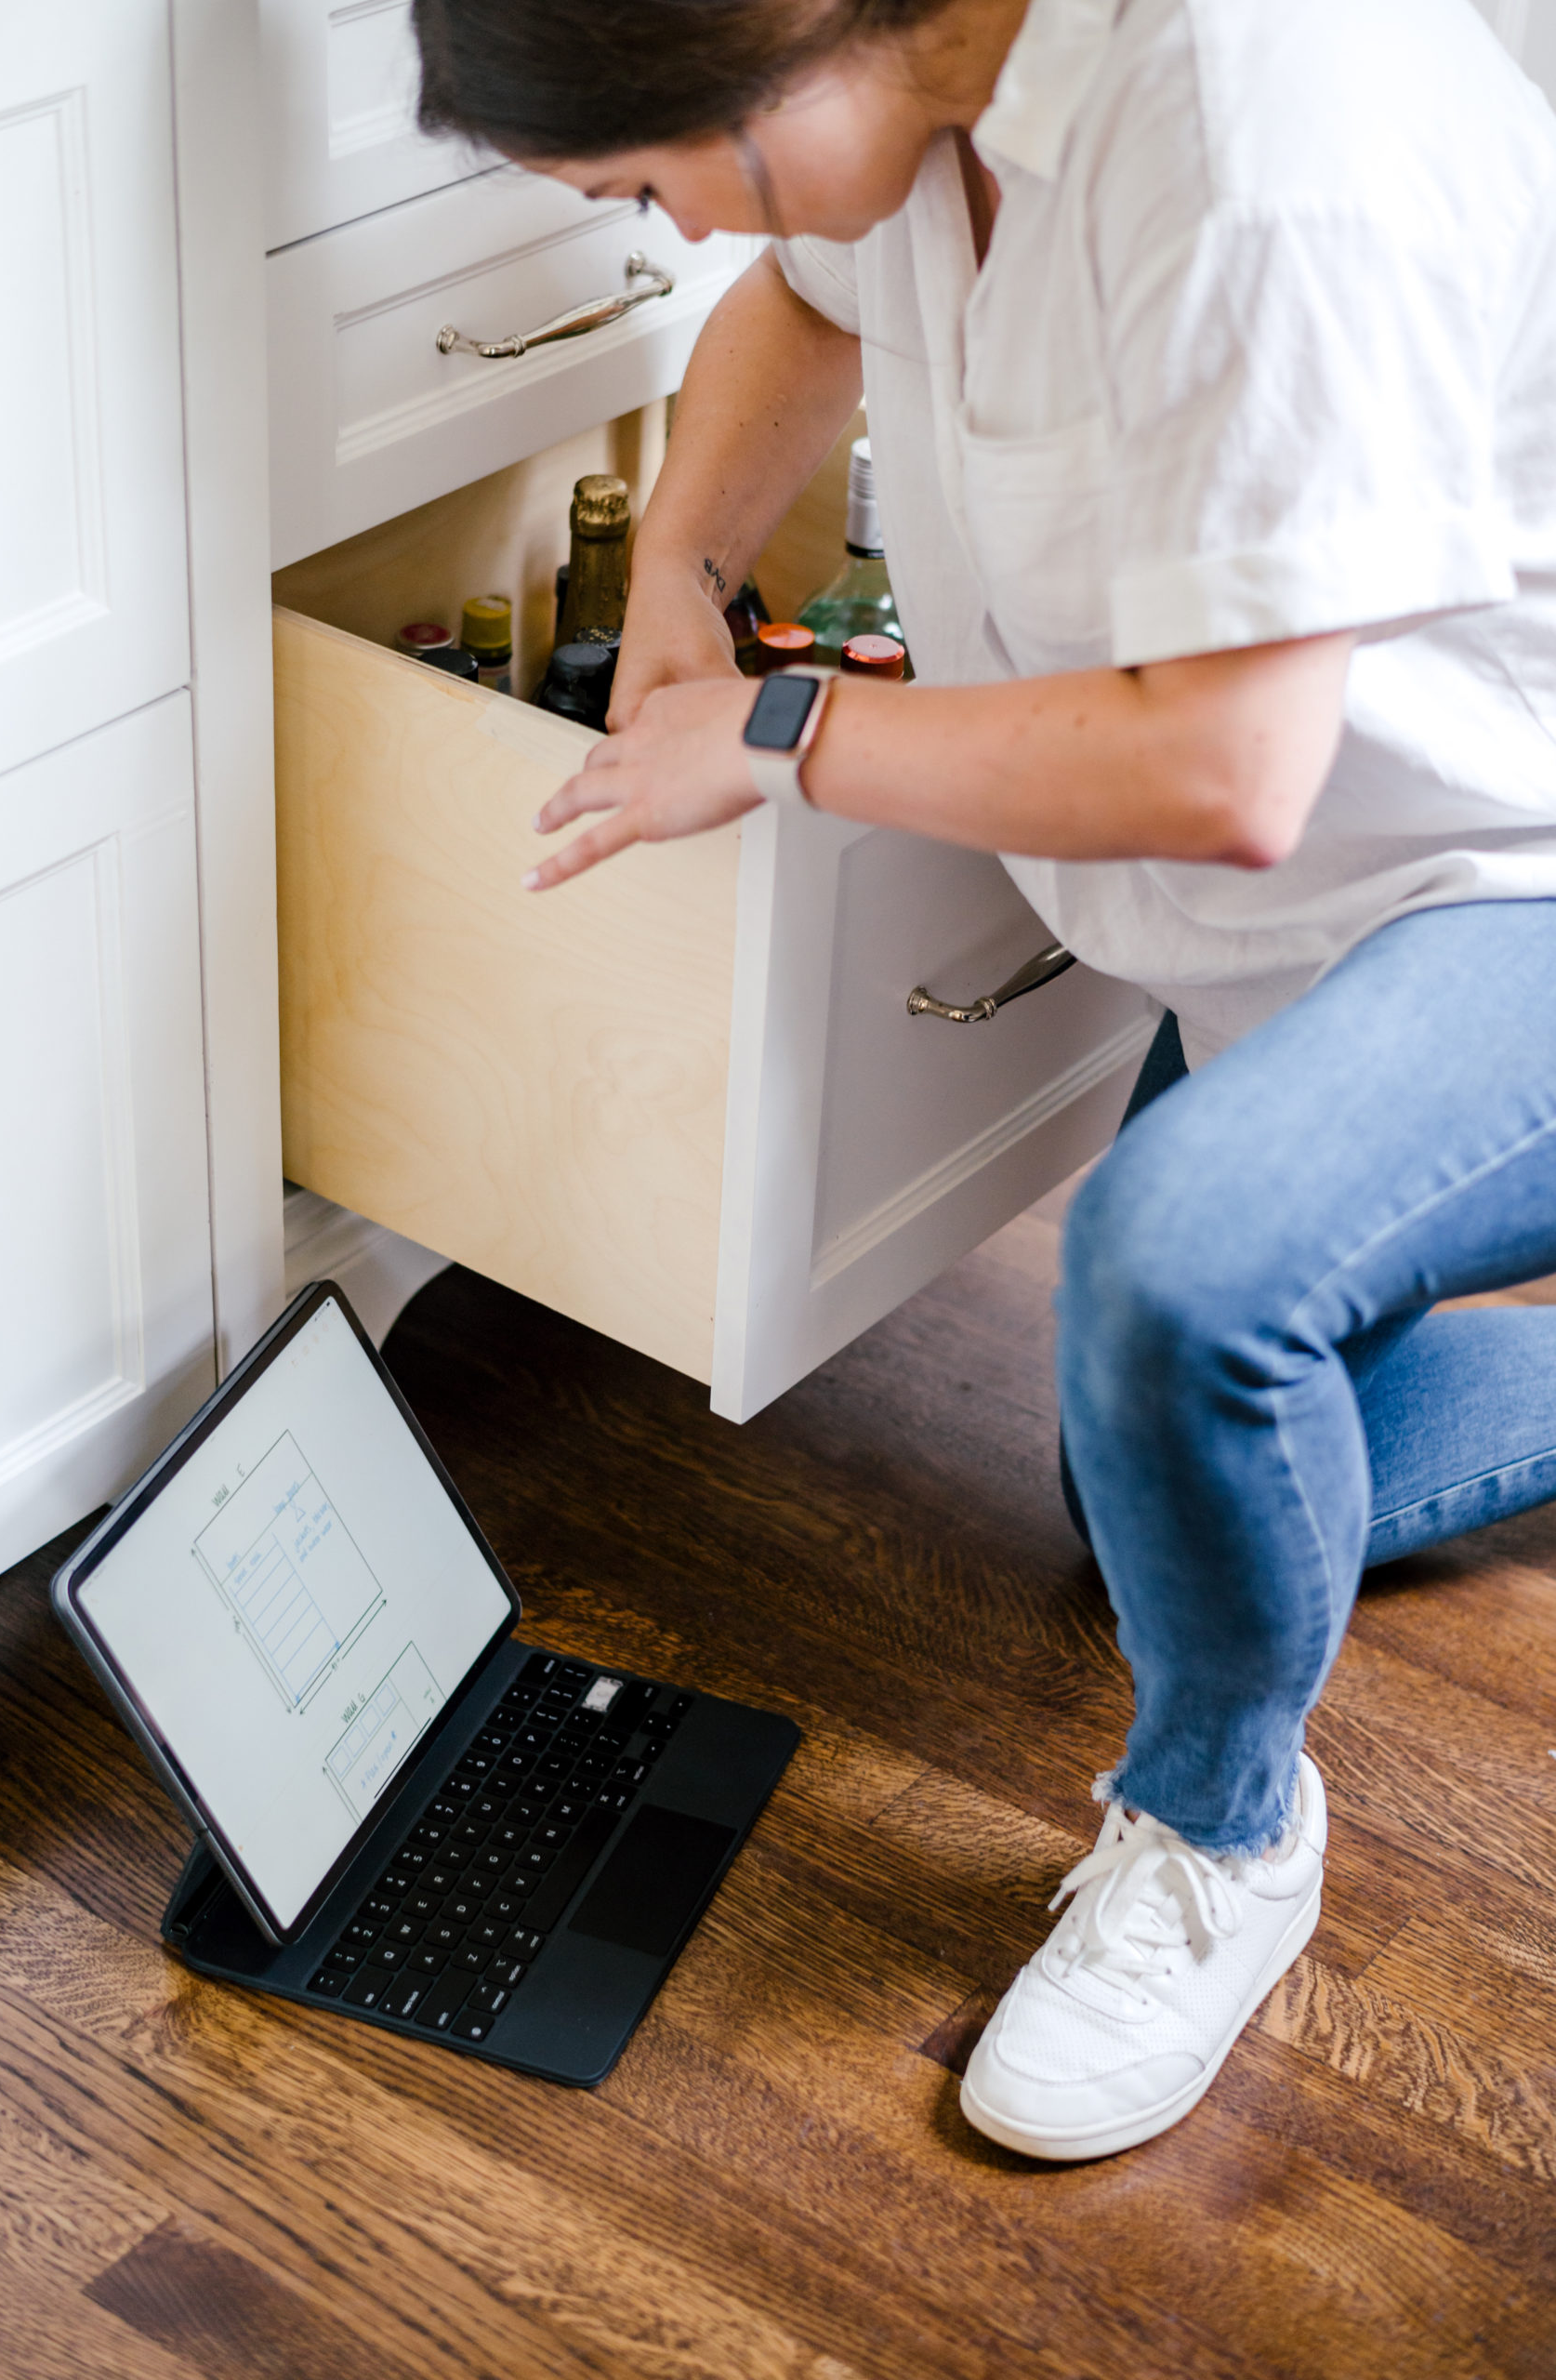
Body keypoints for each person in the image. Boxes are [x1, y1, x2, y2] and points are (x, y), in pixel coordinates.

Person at [413, 0, 1556, 2161]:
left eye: (652, 182)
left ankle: (1219, 1831)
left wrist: (774, 733)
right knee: (1155, 1480)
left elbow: (1225, 769)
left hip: (1510, 874)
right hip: (1326, 912)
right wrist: (676, 571)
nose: (672, 226)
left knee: (1179, 1270)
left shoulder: (1266, 127)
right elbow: (796, 307)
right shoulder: (923, 80)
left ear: (774, 49)